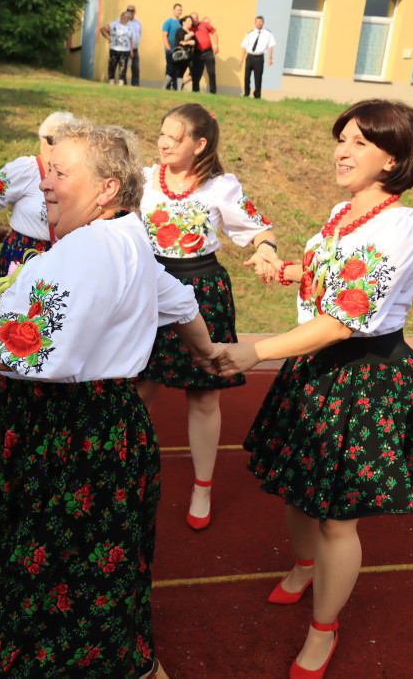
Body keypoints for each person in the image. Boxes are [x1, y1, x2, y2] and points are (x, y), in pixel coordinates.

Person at [0, 120, 220, 678]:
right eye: (47, 169)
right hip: (106, 424)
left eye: (60, 172)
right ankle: (135, 664)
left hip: (67, 431)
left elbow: (38, 350)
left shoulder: (90, 248)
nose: (45, 182)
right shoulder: (126, 236)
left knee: (50, 573)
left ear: (106, 187)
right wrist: (207, 352)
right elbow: (179, 301)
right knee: (102, 567)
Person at [213, 99, 413, 679]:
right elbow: (323, 279)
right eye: (343, 138)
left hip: (365, 376)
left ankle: (323, 627)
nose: (342, 149)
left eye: (361, 142)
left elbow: (343, 318)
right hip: (315, 370)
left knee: (338, 517)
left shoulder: (397, 231)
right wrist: (282, 268)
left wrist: (253, 349)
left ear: (394, 158)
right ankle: (305, 567)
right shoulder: (340, 216)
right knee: (297, 486)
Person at [137, 103, 279, 531]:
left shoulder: (221, 188)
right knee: (137, 387)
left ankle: (203, 486)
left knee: (203, 396)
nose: (163, 143)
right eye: (161, 133)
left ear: (199, 145)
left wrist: (266, 249)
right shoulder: (143, 180)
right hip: (148, 290)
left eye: (174, 137)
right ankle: (126, 471)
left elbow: (260, 229)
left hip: (203, 292)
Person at [0, 111, 75, 278]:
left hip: (64, 257)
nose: (57, 146)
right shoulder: (26, 169)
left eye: (65, 141)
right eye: (52, 140)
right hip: (25, 257)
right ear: (42, 140)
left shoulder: (76, 173)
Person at [239, 16, 276, 99]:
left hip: (259, 58)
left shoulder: (268, 34)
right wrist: (241, 59)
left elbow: (271, 46)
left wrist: (270, 58)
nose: (259, 23)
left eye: (261, 22)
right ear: (255, 23)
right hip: (250, 57)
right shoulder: (250, 34)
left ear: (263, 23)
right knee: (247, 76)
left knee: (258, 77)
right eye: (257, 22)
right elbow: (244, 47)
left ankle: (257, 94)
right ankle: (246, 93)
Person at [100, 10, 134, 85]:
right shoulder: (114, 24)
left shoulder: (130, 27)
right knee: (112, 65)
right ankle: (111, 82)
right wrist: (108, 37)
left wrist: (131, 51)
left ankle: (120, 84)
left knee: (123, 67)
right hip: (114, 48)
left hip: (125, 50)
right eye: (123, 16)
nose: (124, 18)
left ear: (128, 19)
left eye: (126, 17)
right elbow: (102, 29)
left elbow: (131, 39)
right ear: (121, 16)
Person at [189, 13, 219, 93]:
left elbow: (214, 33)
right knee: (195, 73)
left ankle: (213, 91)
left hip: (208, 52)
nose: (196, 19)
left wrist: (216, 46)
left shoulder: (205, 24)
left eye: (197, 18)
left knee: (211, 72)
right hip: (197, 53)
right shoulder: (190, 28)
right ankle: (195, 91)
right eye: (193, 18)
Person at [171, 16, 197, 91]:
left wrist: (187, 42)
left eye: (191, 21)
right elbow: (181, 39)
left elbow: (194, 42)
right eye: (189, 20)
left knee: (184, 72)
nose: (191, 22)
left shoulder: (191, 32)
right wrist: (190, 35)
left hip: (189, 55)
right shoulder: (180, 30)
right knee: (174, 70)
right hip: (180, 54)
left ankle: (179, 88)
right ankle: (166, 87)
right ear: (184, 22)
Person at [162, 3, 184, 90]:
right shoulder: (168, 22)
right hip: (170, 49)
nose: (180, 12)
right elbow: (164, 35)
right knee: (170, 68)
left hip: (178, 50)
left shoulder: (181, 22)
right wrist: (168, 48)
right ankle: (167, 87)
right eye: (178, 10)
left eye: (181, 10)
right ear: (174, 10)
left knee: (177, 69)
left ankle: (175, 88)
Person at [126, 5, 143, 86]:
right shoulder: (124, 21)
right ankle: (123, 85)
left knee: (136, 69)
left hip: (135, 49)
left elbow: (139, 34)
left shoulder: (138, 22)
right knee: (124, 68)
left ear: (134, 12)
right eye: (128, 10)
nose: (130, 12)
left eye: (132, 10)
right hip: (125, 49)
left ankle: (135, 86)